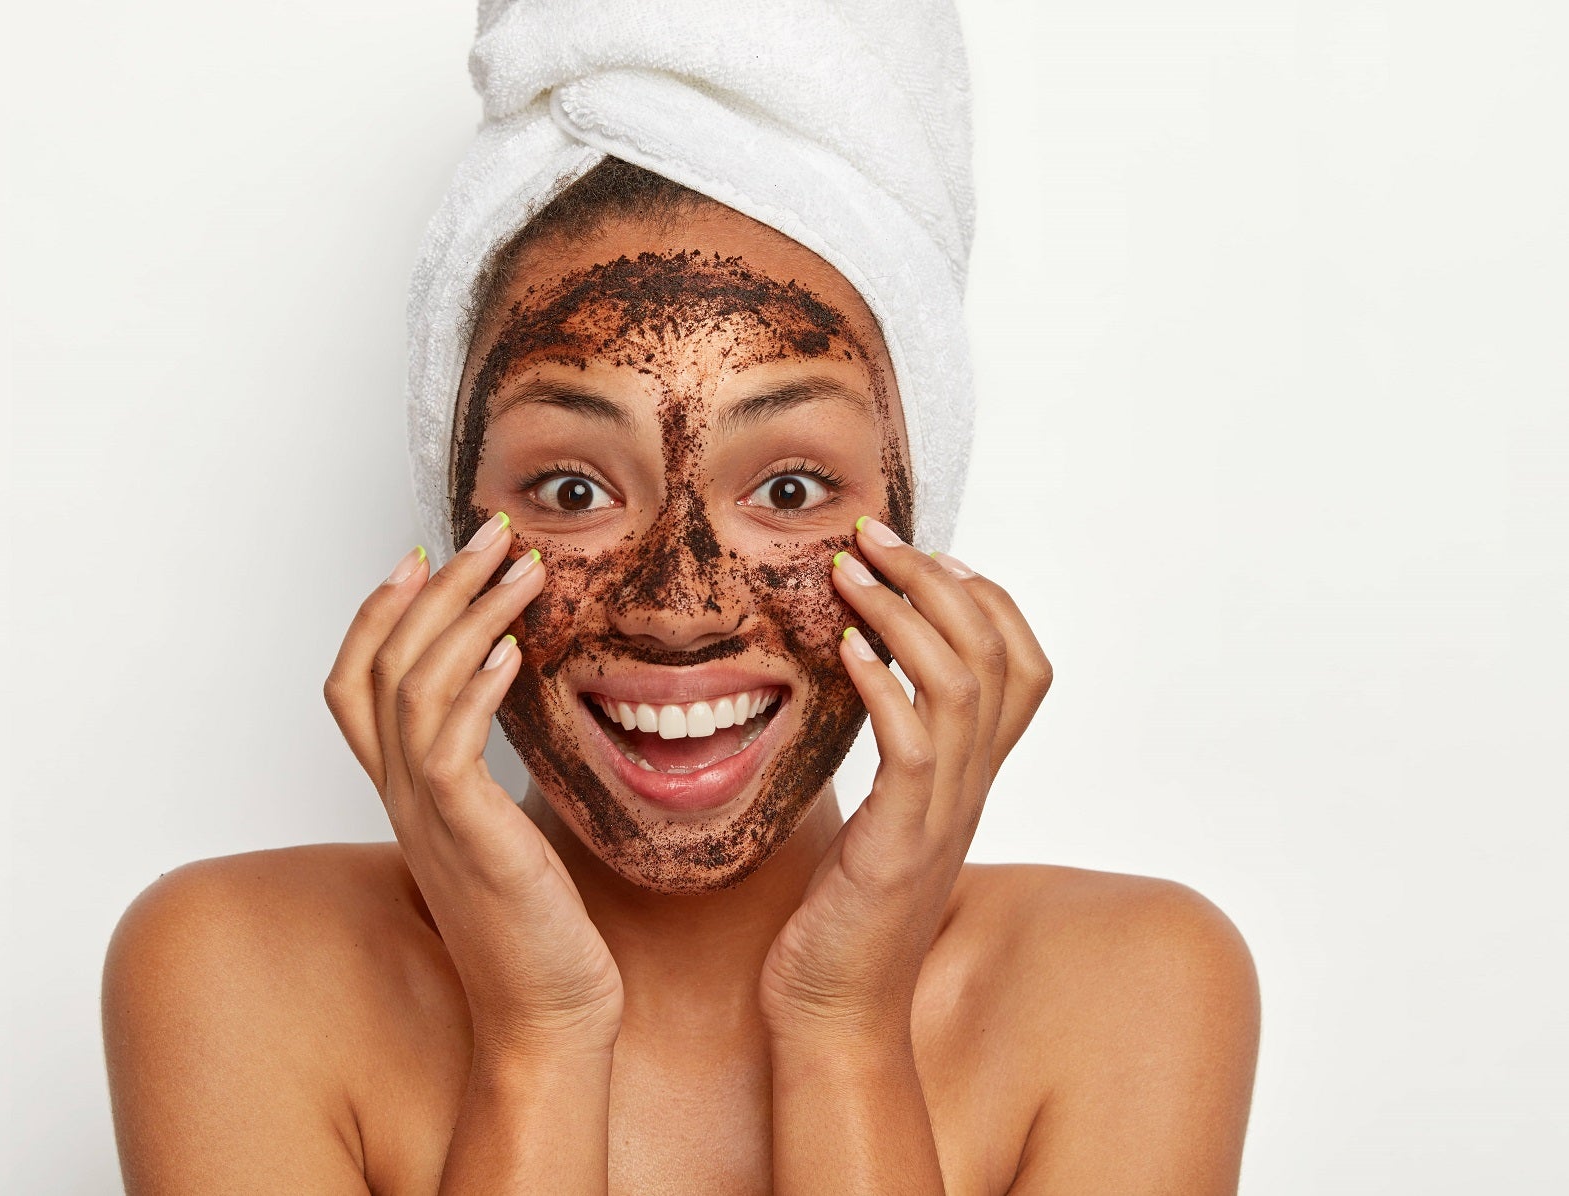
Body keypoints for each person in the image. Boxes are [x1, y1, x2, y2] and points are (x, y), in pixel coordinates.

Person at [103, 7, 1259, 1193]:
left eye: (791, 484)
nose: (678, 602)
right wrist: (538, 1035)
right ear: (452, 526)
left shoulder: (1131, 988)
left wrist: (842, 1023)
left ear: (920, 523)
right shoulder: (237, 970)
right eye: (571, 486)